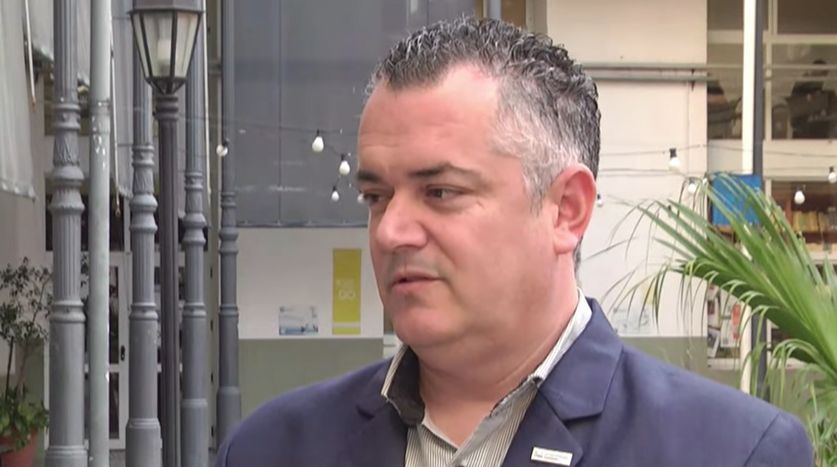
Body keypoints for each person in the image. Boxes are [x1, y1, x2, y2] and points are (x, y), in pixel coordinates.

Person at [216, 17, 813, 467]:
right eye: (377, 197)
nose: (391, 231)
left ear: (566, 210)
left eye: (440, 192)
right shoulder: (272, 447)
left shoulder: (733, 451)